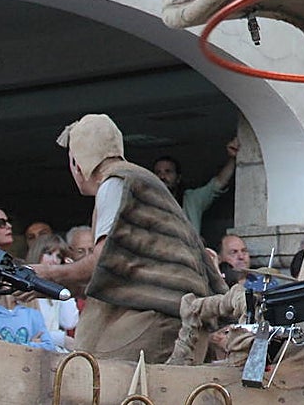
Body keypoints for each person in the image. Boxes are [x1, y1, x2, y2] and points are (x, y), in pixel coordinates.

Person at [31, 113, 226, 362]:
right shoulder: (140, 180)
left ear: (77, 163)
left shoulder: (115, 183)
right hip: (178, 321)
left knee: (97, 384)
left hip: (155, 322)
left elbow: (103, 260)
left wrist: (50, 275)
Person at [152, 136, 240, 232]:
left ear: (178, 178)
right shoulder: (145, 201)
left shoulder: (192, 200)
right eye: (158, 172)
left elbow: (219, 183)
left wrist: (233, 158)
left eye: (168, 171)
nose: (162, 176)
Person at [26, 233, 79, 350]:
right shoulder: (24, 289)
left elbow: (69, 322)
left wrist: (67, 281)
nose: (54, 261)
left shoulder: (57, 290)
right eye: (49, 254)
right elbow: (28, 332)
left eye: (59, 256)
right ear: (37, 253)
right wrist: (60, 339)